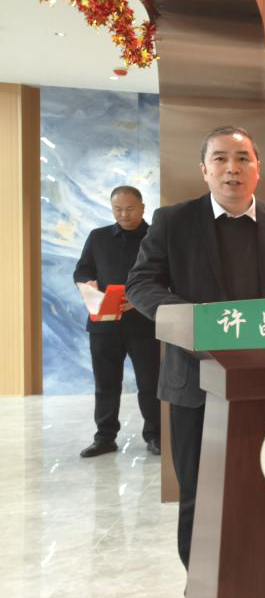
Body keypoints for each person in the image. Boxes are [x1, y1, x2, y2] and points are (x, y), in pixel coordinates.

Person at [126, 126, 265, 568]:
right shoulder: (173, 221)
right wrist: (192, 319)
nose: (232, 168)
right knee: (199, 492)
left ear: (258, 168)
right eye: (220, 159)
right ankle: (201, 587)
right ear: (204, 170)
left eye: (242, 158)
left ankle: (259, 578)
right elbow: (141, 283)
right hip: (195, 380)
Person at [73, 186, 162, 458]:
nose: (124, 214)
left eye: (130, 208)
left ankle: (155, 435)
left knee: (150, 383)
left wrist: (141, 299)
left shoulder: (156, 237)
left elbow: (167, 275)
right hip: (104, 323)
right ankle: (105, 437)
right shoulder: (98, 237)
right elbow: (82, 270)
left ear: (142, 207)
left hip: (144, 324)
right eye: (117, 209)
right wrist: (87, 283)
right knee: (106, 384)